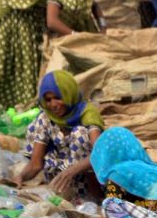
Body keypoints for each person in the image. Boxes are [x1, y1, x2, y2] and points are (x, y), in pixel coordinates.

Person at [0, 0, 100, 109]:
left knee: (28, 69)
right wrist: (77, 36)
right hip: (20, 23)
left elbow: (96, 8)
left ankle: (22, 106)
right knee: (19, 67)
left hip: (35, 23)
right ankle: (17, 107)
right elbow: (52, 22)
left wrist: (103, 29)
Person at [14, 71, 104, 200]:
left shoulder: (87, 113)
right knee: (36, 125)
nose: (53, 104)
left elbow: (99, 153)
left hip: (86, 182)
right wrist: (20, 177)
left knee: (80, 133)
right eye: (48, 100)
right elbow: (36, 164)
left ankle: (94, 197)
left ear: (68, 95)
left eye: (58, 98)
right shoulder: (46, 118)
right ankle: (62, 194)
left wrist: (72, 171)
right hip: (59, 183)